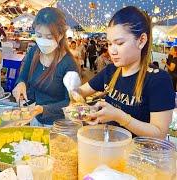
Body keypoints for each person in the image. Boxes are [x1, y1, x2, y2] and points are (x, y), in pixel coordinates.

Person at [72, 6, 175, 139]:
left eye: (119, 43)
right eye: (109, 44)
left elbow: (159, 134)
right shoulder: (111, 71)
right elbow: (80, 91)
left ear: (141, 40)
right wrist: (78, 102)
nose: (112, 51)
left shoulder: (158, 80)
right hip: (109, 146)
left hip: (137, 155)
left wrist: (120, 116)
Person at [12, 7, 78, 127]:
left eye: (49, 37)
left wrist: (43, 109)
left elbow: (71, 102)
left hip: (57, 124)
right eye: (39, 35)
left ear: (61, 35)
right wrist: (20, 84)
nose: (43, 41)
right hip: (34, 117)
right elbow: (23, 76)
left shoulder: (68, 64)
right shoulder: (34, 51)